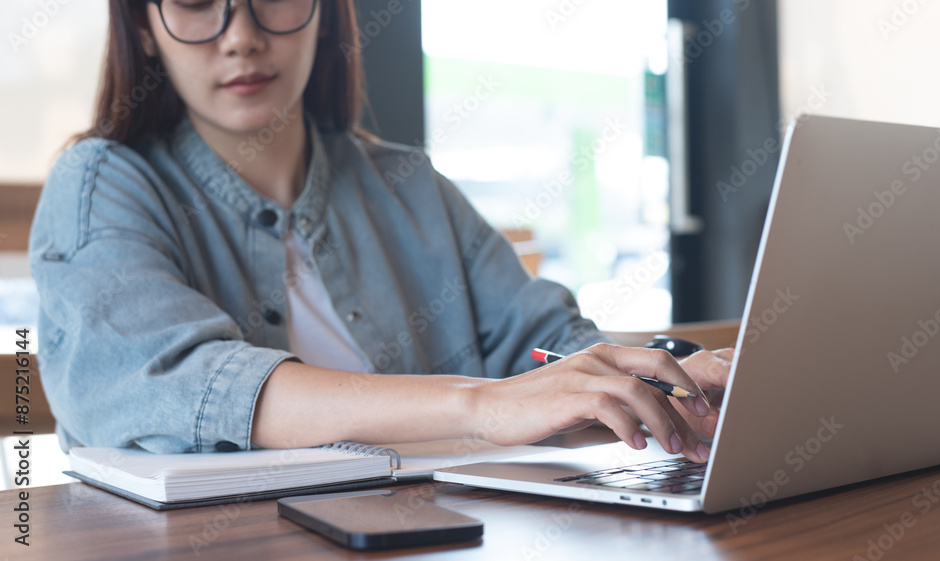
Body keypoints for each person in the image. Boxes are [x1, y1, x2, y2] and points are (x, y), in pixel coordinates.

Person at [30, 0, 732, 462]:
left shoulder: (406, 183)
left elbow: (541, 344)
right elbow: (180, 384)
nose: (240, 36)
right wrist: (482, 405)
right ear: (145, 29)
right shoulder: (101, 184)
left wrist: (650, 382)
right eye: (193, 1)